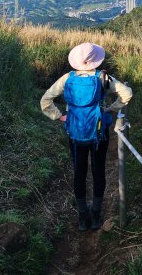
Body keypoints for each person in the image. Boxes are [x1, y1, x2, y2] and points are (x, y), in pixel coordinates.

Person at [40, 42, 132, 231]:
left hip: (75, 132)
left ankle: (83, 218)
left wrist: (60, 117)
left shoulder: (67, 78)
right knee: (98, 172)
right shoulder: (102, 77)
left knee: (79, 173)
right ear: (95, 61)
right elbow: (127, 93)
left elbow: (45, 101)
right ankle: (96, 215)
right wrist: (109, 109)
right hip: (99, 133)